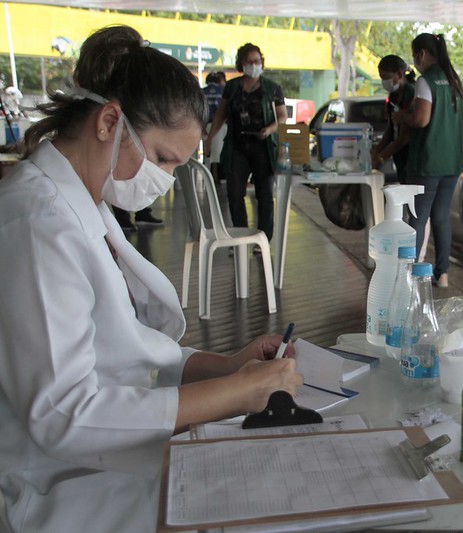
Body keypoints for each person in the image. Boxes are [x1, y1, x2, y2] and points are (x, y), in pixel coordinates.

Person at [0, 25, 303, 532]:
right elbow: (64, 415)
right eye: (162, 158)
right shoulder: (38, 223)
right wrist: (235, 394)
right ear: (109, 121)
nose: (162, 179)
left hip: (107, 456)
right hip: (55, 483)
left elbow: (127, 351)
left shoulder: (84, 206)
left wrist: (228, 367)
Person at [393, 33, 463, 288]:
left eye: (415, 56)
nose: (415, 61)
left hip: (428, 163)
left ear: (422, 54)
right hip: (453, 162)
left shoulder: (427, 81)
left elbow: (422, 120)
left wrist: (403, 118)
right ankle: (442, 274)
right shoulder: (453, 80)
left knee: (417, 219)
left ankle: (411, 275)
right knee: (442, 218)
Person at [206, 43, 288, 241]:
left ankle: (263, 240)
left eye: (257, 61)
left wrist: (269, 129)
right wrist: (209, 140)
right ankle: (240, 236)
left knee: (265, 196)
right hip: (237, 146)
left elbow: (282, 116)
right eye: (250, 61)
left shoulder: (272, 89)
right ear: (241, 63)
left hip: (263, 147)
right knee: (234, 194)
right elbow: (221, 115)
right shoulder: (232, 87)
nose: (254, 65)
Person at [371, 54, 415, 183]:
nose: (384, 82)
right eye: (381, 78)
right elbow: (391, 129)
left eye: (386, 77)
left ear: (400, 74)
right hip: (400, 156)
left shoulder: (411, 94)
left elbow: (404, 137)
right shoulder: (394, 96)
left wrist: (382, 158)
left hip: (411, 156)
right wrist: (377, 150)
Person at [202, 71, 226, 183]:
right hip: (220, 126)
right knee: (220, 153)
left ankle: (207, 177)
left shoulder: (202, 92)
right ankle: (221, 177)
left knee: (207, 154)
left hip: (205, 125)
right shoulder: (223, 91)